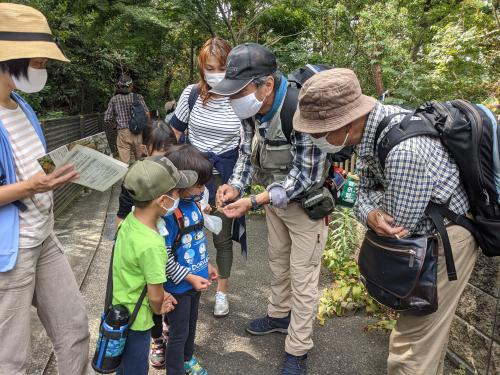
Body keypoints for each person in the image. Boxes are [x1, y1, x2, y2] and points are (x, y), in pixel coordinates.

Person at [292, 68, 479, 375]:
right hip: (424, 234)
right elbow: (361, 194)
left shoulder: (403, 152)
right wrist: (369, 212)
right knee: (427, 337)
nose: (315, 139)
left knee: (411, 349)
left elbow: (396, 225)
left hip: (444, 243)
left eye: (318, 132)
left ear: (347, 123)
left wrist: (371, 209)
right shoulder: (375, 130)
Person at [212, 43, 329, 375]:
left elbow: (306, 175)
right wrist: (236, 185)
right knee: (279, 264)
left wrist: (254, 201)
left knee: (304, 279)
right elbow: (247, 154)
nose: (235, 99)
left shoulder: (300, 111)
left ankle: (297, 350)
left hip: (306, 206)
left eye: (240, 91)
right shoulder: (250, 110)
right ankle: (279, 316)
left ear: (266, 84)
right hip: (273, 201)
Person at [0, 4, 93, 374]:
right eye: (38, 63)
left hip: (44, 236)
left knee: (74, 327)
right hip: (12, 249)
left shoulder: (21, 105)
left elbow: (39, 164)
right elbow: (26, 181)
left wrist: (70, 168)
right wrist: (29, 187)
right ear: (10, 59)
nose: (43, 70)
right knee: (11, 357)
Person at [170, 37, 242, 318]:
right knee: (184, 234)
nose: (215, 73)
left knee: (222, 238)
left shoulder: (240, 98)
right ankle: (183, 284)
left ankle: (222, 292)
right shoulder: (192, 95)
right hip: (190, 179)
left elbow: (246, 145)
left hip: (224, 180)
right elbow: (174, 135)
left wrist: (236, 185)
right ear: (202, 68)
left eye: (221, 66)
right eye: (209, 67)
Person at [114, 155, 197, 374]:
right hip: (138, 319)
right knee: (136, 368)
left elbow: (137, 271)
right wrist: (160, 302)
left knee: (123, 366)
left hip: (120, 308)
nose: (179, 196)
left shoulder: (128, 223)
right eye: (177, 192)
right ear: (162, 201)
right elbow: (154, 297)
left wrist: (159, 295)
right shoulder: (153, 244)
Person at [162, 144, 218, 375]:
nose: (203, 189)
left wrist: (207, 264)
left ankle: (186, 358)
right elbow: (163, 258)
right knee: (178, 332)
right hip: (178, 286)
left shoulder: (194, 205)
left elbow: (196, 241)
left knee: (191, 326)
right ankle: (174, 369)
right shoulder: (168, 214)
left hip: (195, 280)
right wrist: (189, 277)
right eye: (199, 184)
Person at [104, 74, 150, 164]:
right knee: (141, 160)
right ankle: (143, 175)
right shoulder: (138, 97)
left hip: (122, 133)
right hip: (137, 132)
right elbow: (147, 114)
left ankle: (127, 177)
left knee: (124, 163)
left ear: (120, 86)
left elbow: (107, 118)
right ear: (131, 86)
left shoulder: (114, 99)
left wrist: (114, 125)